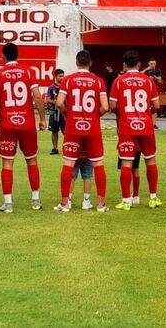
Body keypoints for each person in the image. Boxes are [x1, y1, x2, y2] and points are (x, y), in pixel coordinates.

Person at [0, 42, 47, 212]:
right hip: (27, 123)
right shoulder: (28, 71)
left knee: (7, 163)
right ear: (18, 55)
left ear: (3, 56)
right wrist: (42, 118)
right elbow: (37, 96)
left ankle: (8, 203)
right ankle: (35, 200)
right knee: (32, 160)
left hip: (7, 124)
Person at [54, 49, 110, 213]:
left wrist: (67, 114)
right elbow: (105, 107)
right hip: (92, 128)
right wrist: (93, 116)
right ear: (90, 63)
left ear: (76, 63)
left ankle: (65, 203)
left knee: (68, 163)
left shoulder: (68, 80)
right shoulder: (98, 81)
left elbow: (59, 103)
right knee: (98, 164)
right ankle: (100, 204)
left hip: (73, 127)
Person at [109, 50, 162, 210]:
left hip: (126, 127)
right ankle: (153, 198)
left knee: (126, 162)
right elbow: (157, 106)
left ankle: (126, 200)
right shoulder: (148, 80)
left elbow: (112, 106)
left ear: (124, 64)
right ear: (140, 64)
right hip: (146, 126)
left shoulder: (119, 81)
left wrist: (124, 114)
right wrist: (146, 114)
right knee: (150, 160)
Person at [68, 141, 94, 210]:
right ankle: (86, 201)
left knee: (72, 176)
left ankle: (68, 200)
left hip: (75, 151)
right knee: (87, 177)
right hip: (88, 152)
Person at [45, 69, 65, 155]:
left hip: (63, 112)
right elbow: (48, 99)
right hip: (53, 111)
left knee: (66, 131)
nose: (62, 77)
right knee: (54, 131)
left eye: (63, 75)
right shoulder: (51, 88)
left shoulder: (65, 87)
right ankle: (54, 148)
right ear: (55, 77)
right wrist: (55, 102)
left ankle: (67, 148)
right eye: (60, 76)